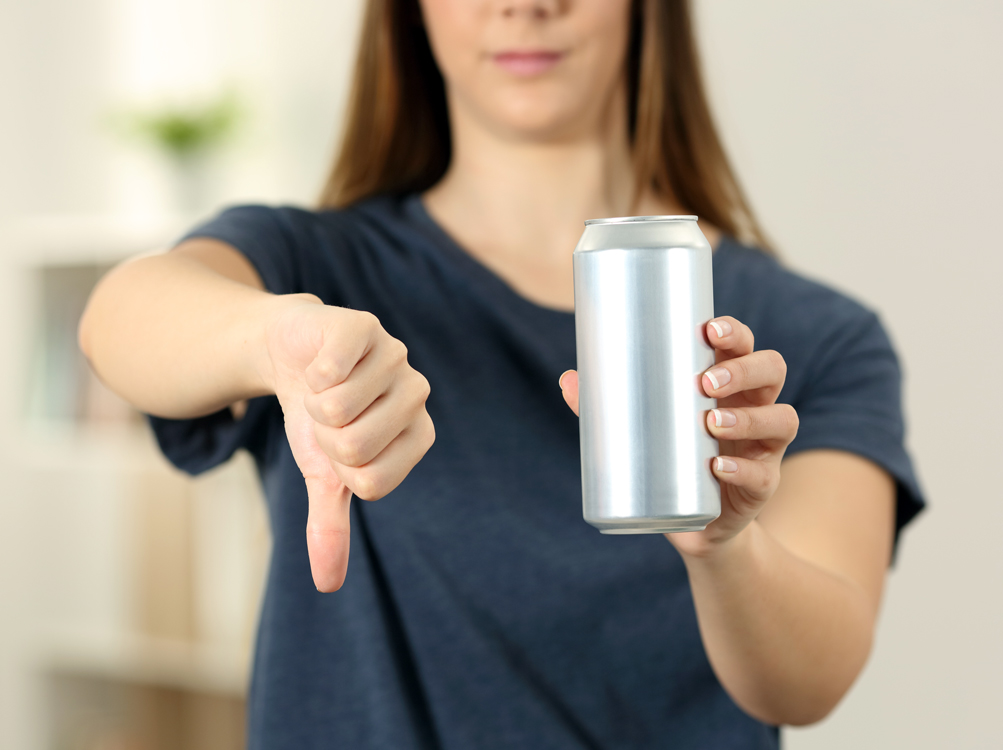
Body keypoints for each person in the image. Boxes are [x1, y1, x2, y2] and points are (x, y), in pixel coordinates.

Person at [79, 1, 925, 747]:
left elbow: (809, 681)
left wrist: (725, 547)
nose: (526, 5)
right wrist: (273, 338)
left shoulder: (817, 338)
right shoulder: (315, 267)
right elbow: (119, 316)